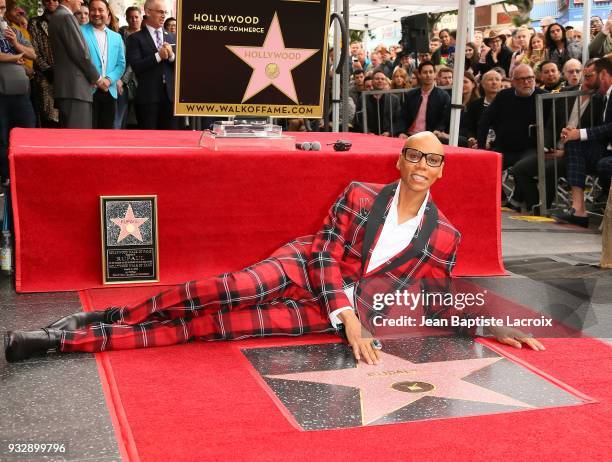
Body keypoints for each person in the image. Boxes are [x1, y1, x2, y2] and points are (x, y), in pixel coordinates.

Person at [4, 132, 545, 363]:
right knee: (215, 290)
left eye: (434, 161)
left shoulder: (447, 236)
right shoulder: (358, 195)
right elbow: (327, 256)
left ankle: (66, 342)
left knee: (208, 327)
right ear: (400, 161)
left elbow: (430, 297)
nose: (424, 167)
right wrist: (348, 317)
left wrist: (484, 324)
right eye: (415, 157)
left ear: (443, 170)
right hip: (304, 268)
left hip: (335, 313)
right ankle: (107, 316)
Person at [513, 59, 597, 213]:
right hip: (554, 149)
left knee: (548, 168)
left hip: (577, 155)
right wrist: (545, 148)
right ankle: (535, 206)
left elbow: (596, 135)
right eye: (586, 73)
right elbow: (550, 127)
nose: (581, 75)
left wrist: (564, 152)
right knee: (519, 169)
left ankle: (543, 206)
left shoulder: (600, 99)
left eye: (580, 72)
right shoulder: (565, 94)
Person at [477, 64, 548, 205]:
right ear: (513, 82)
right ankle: (502, 200)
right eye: (522, 79)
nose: (526, 82)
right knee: (483, 164)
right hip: (505, 147)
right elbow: (484, 120)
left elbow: (552, 127)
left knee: (521, 168)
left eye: (530, 78)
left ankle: (533, 204)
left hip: (531, 148)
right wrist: (481, 148)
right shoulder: (504, 95)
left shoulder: (544, 97)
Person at [557, 58, 612, 227]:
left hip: (607, 155)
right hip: (606, 150)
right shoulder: (604, 97)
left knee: (604, 164)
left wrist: (579, 133)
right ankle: (579, 210)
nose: (585, 80)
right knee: (574, 144)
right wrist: (572, 134)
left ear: (603, 74)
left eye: (589, 76)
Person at [49, 0, 104, 128]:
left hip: (70, 89)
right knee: (79, 139)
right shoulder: (66, 17)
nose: (81, 1)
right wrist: (98, 78)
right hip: (75, 89)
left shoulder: (58, 16)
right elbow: (80, 53)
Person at [126, 0, 177, 129]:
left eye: (165, 12)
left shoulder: (173, 37)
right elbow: (136, 66)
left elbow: (181, 67)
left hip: (170, 99)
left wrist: (171, 56)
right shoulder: (135, 38)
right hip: (148, 98)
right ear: (148, 12)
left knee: (170, 141)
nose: (163, 15)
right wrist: (158, 56)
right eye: (160, 12)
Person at [0, 0, 36, 182]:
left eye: (3, 8)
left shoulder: (12, 30)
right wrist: (15, 57)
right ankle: (6, 177)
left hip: (21, 91)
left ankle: (26, 174)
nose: (1, 11)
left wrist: (15, 43)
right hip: (1, 93)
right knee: (3, 137)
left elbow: (33, 54)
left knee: (27, 131)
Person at [81, 0, 125, 128]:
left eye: (101, 10)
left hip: (109, 90)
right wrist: (98, 80)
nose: (96, 13)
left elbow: (121, 64)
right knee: (88, 134)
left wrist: (109, 79)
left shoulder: (116, 37)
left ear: (107, 12)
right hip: (88, 90)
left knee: (106, 135)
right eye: (93, 10)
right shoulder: (80, 31)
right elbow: (80, 60)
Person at [28, 0, 59, 127]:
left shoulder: (69, 20)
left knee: (66, 120)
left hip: (66, 76)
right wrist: (47, 70)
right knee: (48, 119)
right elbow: (33, 50)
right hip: (45, 77)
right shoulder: (35, 23)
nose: (51, 1)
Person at [401, 61, 450, 137]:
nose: (428, 75)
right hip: (409, 135)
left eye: (431, 72)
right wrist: (402, 132)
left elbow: (444, 119)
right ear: (419, 75)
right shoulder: (410, 95)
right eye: (425, 72)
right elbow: (403, 116)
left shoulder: (443, 96)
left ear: (435, 74)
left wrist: (438, 130)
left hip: (430, 136)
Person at [355, 69, 402, 136]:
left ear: (385, 81)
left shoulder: (394, 99)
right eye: (377, 79)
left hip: (388, 137)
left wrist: (389, 132)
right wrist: (368, 132)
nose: (380, 81)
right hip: (369, 137)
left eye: (382, 79)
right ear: (372, 81)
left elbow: (398, 120)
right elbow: (358, 120)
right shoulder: (363, 98)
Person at [464, 69, 502, 148]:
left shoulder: (506, 104)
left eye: (497, 80)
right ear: (483, 84)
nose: (494, 82)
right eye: (490, 79)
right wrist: (471, 138)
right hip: (478, 144)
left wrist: (490, 145)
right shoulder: (475, 105)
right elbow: (470, 127)